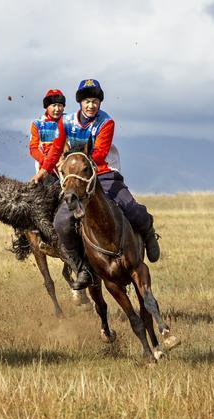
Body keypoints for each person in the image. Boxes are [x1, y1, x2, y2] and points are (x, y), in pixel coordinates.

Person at [33, 79, 160, 289]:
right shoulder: (65, 122)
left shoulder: (106, 122)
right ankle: (81, 268)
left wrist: (80, 163)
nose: (91, 105)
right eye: (87, 101)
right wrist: (44, 170)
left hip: (103, 173)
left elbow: (100, 153)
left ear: (99, 103)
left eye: (94, 101)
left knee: (133, 210)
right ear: (80, 103)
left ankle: (148, 233)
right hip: (77, 179)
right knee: (61, 223)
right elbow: (56, 149)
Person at [28, 89, 66, 186]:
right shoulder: (38, 124)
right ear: (47, 107)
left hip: (66, 167)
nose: (57, 109)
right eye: (54, 105)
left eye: (60, 105)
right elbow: (33, 149)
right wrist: (47, 162)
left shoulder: (70, 122)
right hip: (47, 170)